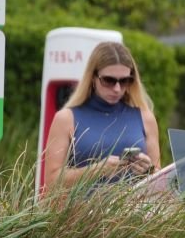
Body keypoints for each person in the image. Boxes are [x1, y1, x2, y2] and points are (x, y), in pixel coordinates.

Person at [40, 41, 161, 195]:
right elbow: (51, 182)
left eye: (125, 81)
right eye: (109, 80)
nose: (117, 88)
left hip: (135, 216)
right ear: (92, 77)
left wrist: (147, 171)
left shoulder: (145, 118)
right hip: (82, 217)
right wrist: (96, 170)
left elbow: (159, 180)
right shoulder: (66, 119)